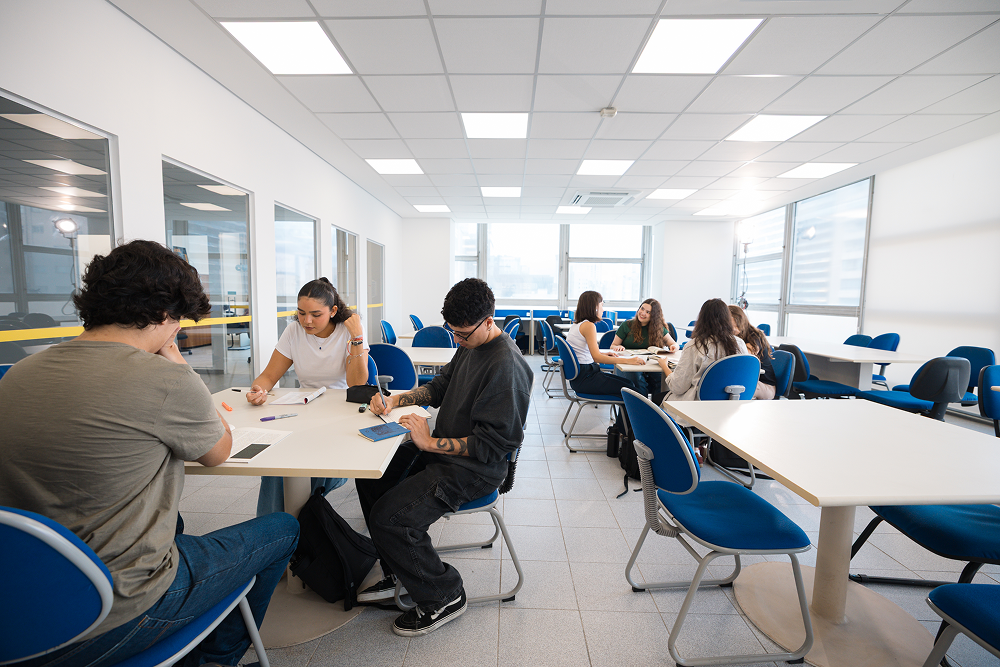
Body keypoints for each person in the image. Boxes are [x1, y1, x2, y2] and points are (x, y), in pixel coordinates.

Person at [0, 240, 298, 667]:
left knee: (173, 520)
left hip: (21, 607)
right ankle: (218, 657)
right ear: (164, 315)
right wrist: (177, 361)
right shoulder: (166, 380)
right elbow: (219, 451)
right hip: (116, 613)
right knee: (283, 528)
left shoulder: (18, 375)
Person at [355, 278, 532, 637]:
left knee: (390, 518)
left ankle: (445, 594)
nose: (458, 341)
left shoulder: (507, 368)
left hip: (476, 470)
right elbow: (440, 386)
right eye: (453, 333)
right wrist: (396, 399)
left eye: (463, 334)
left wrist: (430, 443)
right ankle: (400, 573)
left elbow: (492, 446)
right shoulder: (470, 344)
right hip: (445, 454)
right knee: (371, 475)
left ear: (488, 321)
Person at [247, 277, 368, 515]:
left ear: (333, 311)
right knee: (275, 465)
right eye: (301, 313)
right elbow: (269, 376)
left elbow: (356, 384)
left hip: (340, 411)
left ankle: (295, 526)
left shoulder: (347, 332)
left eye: (315, 314)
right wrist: (258, 390)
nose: (307, 321)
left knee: (309, 467)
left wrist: (357, 337)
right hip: (304, 408)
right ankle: (276, 530)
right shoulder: (293, 331)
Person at [654, 298, 749, 404]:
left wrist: (665, 367)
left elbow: (678, 387)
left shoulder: (695, 346)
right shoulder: (740, 344)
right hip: (731, 406)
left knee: (656, 399)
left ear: (702, 319)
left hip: (698, 406)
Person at [565, 290, 645, 397]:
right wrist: (628, 360)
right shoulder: (588, 326)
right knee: (632, 392)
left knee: (629, 385)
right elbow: (597, 358)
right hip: (586, 378)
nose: (603, 310)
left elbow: (583, 353)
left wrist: (603, 354)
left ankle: (624, 414)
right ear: (595, 308)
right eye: (601, 306)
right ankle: (629, 414)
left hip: (581, 377)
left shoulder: (577, 325)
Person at [609, 297, 678, 396]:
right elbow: (613, 345)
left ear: (654, 316)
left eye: (648, 312)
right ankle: (640, 409)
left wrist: (674, 347)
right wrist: (617, 347)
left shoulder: (659, 329)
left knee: (661, 380)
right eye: (642, 309)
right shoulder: (627, 325)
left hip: (651, 364)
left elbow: (673, 343)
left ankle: (657, 409)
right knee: (637, 380)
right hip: (629, 363)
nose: (643, 313)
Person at [728, 305, 777, 400]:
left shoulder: (754, 337)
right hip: (751, 380)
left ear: (737, 320)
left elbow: (745, 359)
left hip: (765, 386)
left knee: (733, 388)